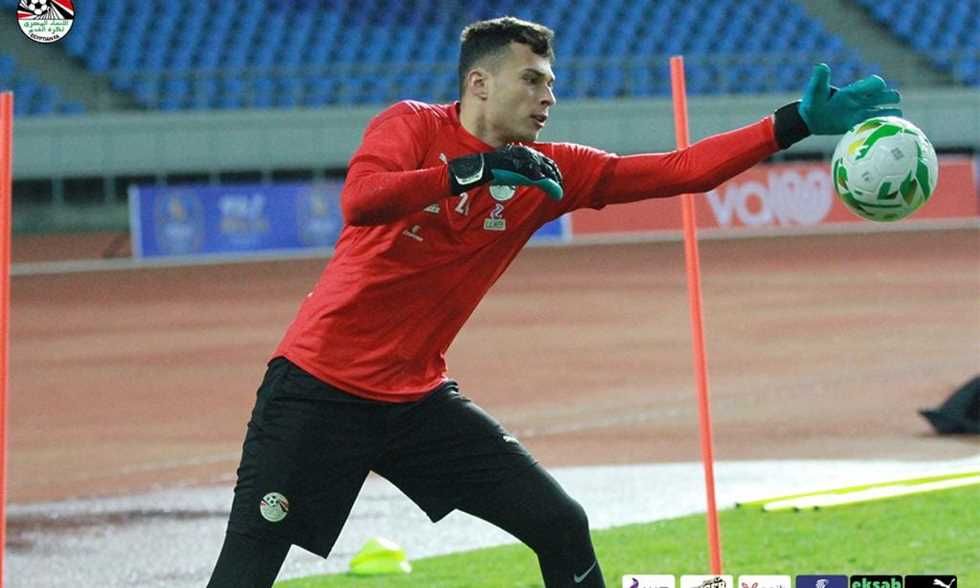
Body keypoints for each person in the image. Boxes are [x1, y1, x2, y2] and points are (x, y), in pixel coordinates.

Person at [207, 16, 901, 588]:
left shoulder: (551, 171)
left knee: (560, 523)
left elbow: (681, 170)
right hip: (317, 391)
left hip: (416, 402)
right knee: (246, 571)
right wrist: (475, 171)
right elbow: (361, 201)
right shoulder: (412, 125)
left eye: (552, 84)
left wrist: (793, 123)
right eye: (533, 80)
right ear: (479, 83)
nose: (548, 97)